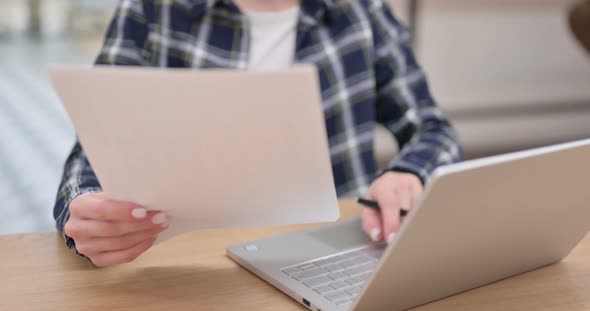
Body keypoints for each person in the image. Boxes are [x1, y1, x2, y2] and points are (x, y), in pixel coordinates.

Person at [54, 0, 462, 267]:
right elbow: (92, 147)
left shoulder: (361, 11)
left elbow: (432, 128)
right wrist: (83, 205)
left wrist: (409, 173)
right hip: (182, 264)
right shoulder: (152, 10)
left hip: (334, 256)